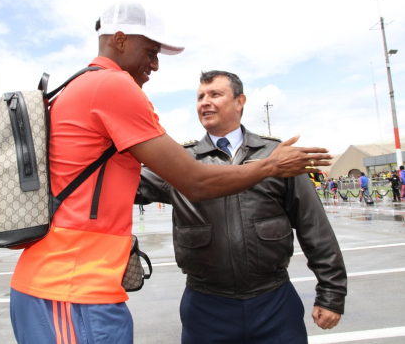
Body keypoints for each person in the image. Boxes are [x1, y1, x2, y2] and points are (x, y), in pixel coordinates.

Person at [8, 2, 331, 344]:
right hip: (71, 288)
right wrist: (272, 165)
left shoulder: (78, 86)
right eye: (150, 51)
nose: (155, 64)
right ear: (119, 40)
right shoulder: (113, 87)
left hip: (68, 285)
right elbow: (195, 180)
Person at [136, 70, 346, 344]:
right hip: (206, 306)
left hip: (273, 301)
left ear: (240, 101)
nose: (205, 102)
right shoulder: (180, 161)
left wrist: (331, 293)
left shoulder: (277, 156)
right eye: (200, 97)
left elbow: (314, 227)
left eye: (215, 94)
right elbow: (127, 185)